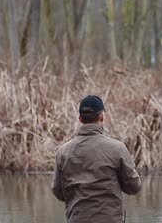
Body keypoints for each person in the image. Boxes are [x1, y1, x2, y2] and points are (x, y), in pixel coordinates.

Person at [52, 95, 142, 223]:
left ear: (80, 118)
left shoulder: (63, 152)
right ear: (102, 116)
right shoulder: (117, 148)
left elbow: (58, 191)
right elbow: (134, 187)